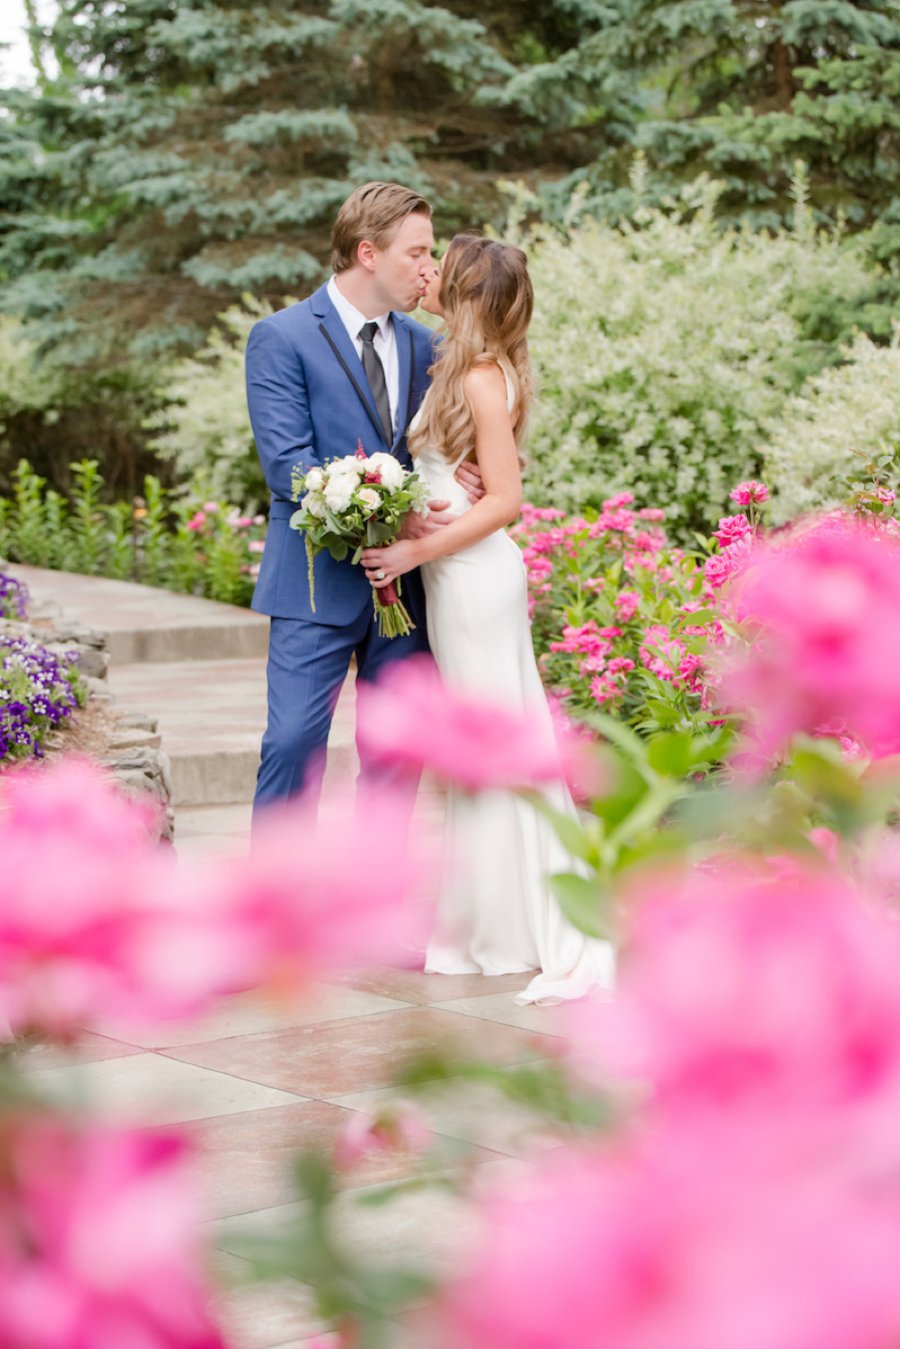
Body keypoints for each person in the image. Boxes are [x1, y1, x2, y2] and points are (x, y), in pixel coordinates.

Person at [362, 235, 614, 1003]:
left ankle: (505, 928)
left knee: (490, 750)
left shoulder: (476, 376)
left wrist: (413, 553)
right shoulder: (469, 368)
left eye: (446, 267)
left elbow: (506, 501)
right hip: (461, 575)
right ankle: (492, 920)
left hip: (473, 582)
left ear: (468, 295)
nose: (429, 272)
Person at [245, 182, 481, 817]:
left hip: (407, 584)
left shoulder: (426, 345)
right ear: (368, 252)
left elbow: (444, 450)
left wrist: (461, 480)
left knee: (395, 758)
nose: (431, 269)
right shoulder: (282, 337)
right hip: (313, 582)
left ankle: (380, 905)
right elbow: (288, 468)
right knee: (293, 743)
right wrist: (391, 510)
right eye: (418, 252)